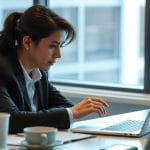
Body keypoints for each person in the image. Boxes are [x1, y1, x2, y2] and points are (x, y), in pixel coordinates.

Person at [0, 5, 108, 134]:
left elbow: (66, 107)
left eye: (60, 46)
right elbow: (10, 120)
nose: (58, 54)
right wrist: (69, 113)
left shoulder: (38, 73)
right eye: (52, 46)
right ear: (28, 42)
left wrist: (68, 112)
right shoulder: (2, 69)